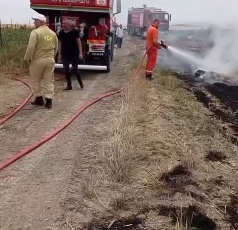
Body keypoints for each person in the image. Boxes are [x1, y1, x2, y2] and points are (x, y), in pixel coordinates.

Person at [24, 14, 58, 109]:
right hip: (50, 60)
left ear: (41, 21)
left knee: (36, 79)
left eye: (35, 20)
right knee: (48, 80)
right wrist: (52, 57)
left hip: (38, 60)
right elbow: (56, 48)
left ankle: (39, 98)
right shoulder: (52, 33)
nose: (34, 22)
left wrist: (27, 58)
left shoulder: (35, 32)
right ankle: (49, 101)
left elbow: (31, 47)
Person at [58, 20, 84, 91]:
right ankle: (69, 86)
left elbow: (79, 42)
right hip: (65, 53)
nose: (63, 25)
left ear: (69, 25)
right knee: (66, 69)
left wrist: (80, 52)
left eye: (65, 24)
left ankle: (80, 83)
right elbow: (60, 43)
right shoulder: (61, 33)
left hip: (74, 53)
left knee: (75, 69)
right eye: (62, 24)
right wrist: (59, 53)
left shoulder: (75, 32)